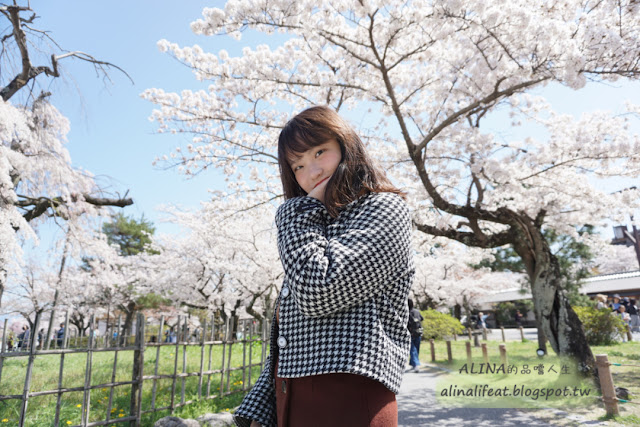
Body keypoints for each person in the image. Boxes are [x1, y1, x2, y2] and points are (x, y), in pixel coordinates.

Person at [233, 106, 415, 427]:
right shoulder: (314, 225)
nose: (313, 171)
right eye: (298, 165)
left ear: (347, 146)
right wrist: (263, 404)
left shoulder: (383, 209)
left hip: (351, 396)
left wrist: (296, 213)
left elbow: (318, 294)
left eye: (320, 152)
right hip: (292, 398)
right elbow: (290, 333)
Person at [407, 299, 424, 373]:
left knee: (413, 350)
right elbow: (422, 319)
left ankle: (416, 365)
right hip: (418, 332)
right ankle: (413, 364)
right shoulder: (417, 311)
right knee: (416, 349)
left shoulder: (406, 312)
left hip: (410, 333)